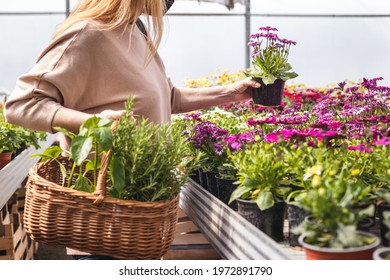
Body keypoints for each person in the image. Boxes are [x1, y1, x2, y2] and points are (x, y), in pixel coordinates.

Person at [4, 0, 259, 259]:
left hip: (139, 218)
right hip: (104, 223)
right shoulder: (88, 34)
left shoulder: (135, 31)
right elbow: (20, 105)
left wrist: (229, 93)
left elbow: (167, 98)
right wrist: (93, 123)